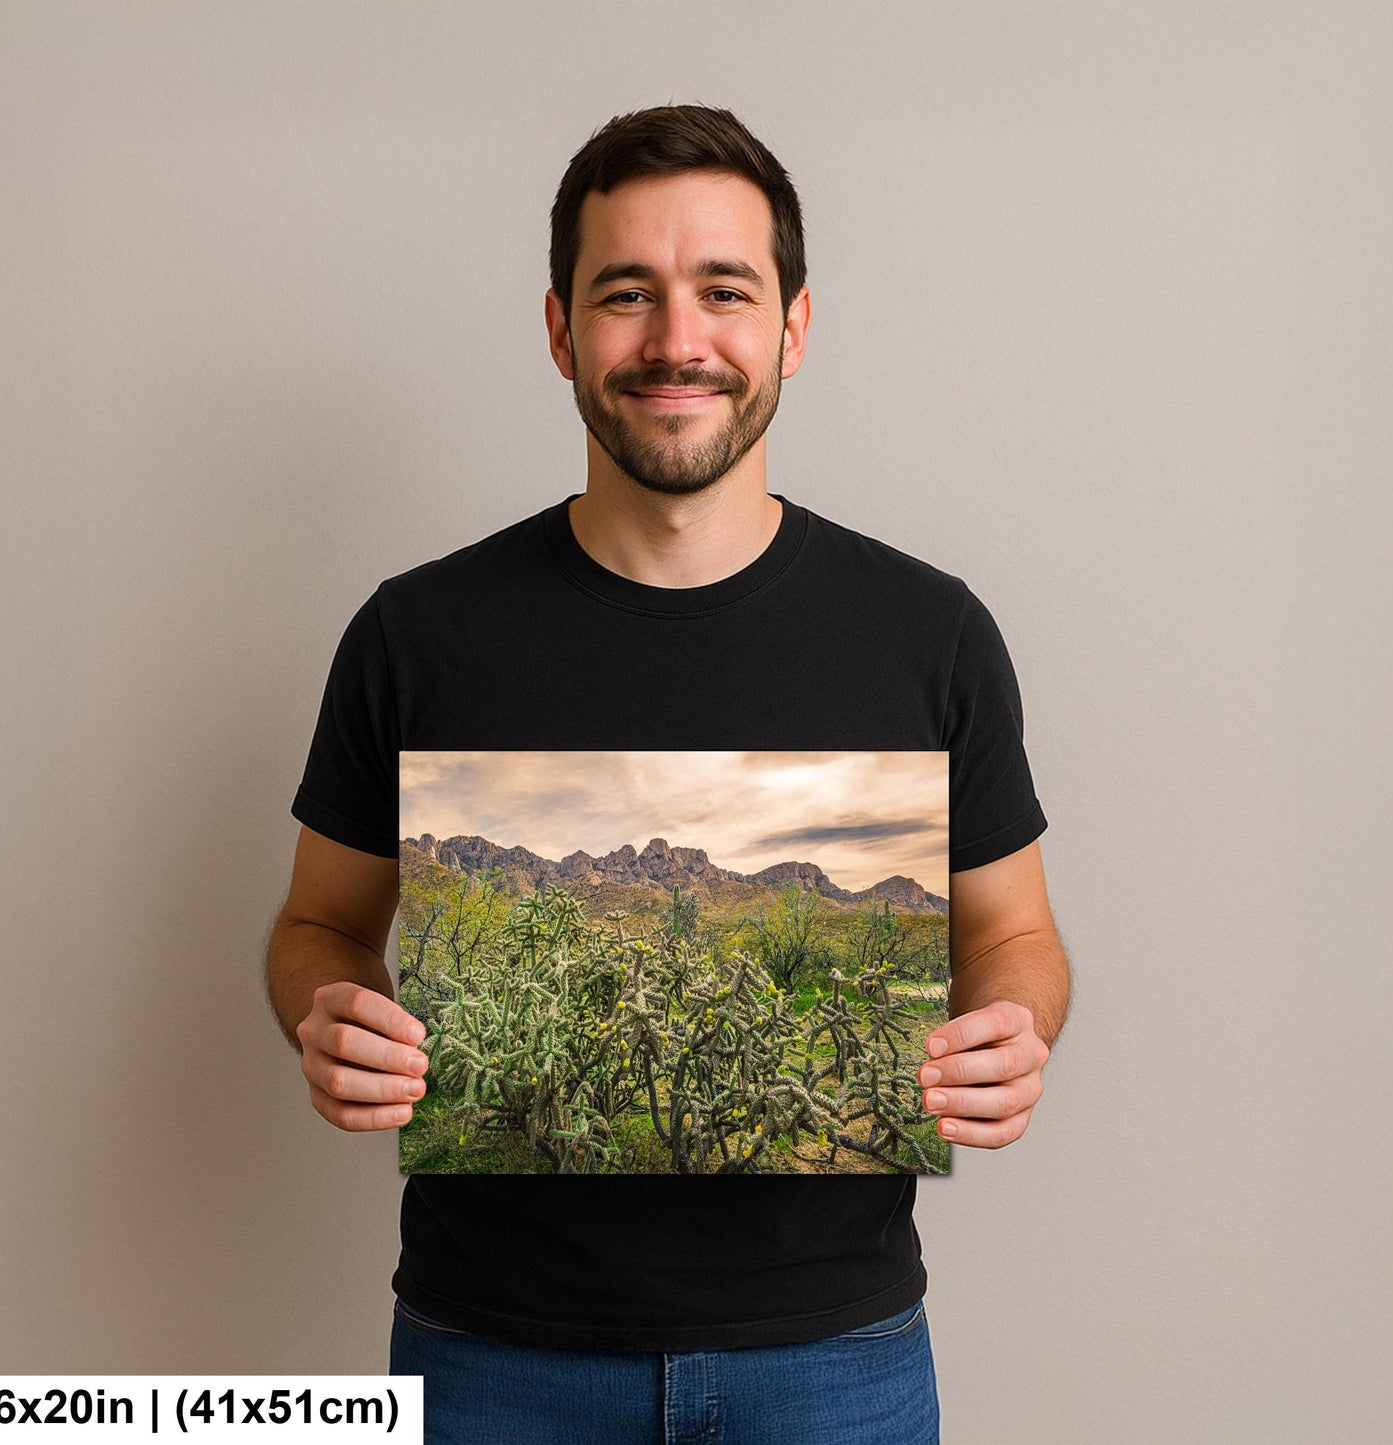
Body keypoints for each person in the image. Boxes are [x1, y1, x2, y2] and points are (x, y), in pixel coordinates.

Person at [266, 104, 1070, 1444]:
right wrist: (329, 1011)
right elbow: (317, 923)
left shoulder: (929, 633)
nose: (675, 339)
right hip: (491, 1357)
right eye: (625, 293)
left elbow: (1019, 935)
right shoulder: (420, 633)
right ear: (559, 330)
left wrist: (1011, 1030)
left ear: (792, 329)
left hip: (834, 1355)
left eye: (723, 291)